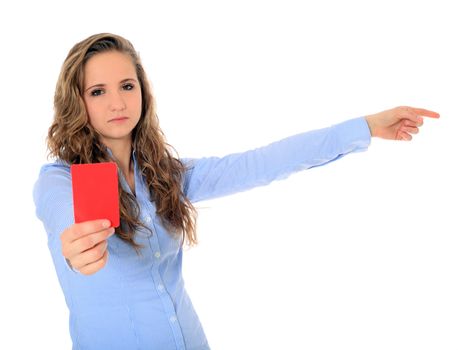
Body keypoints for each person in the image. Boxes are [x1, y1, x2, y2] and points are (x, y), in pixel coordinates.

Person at [32, 32, 440, 350]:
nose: (117, 102)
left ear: (143, 92)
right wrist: (75, 248)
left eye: (127, 85)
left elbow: (262, 163)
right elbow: (64, 217)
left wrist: (365, 126)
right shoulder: (60, 180)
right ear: (77, 101)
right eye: (97, 91)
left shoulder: (166, 176)